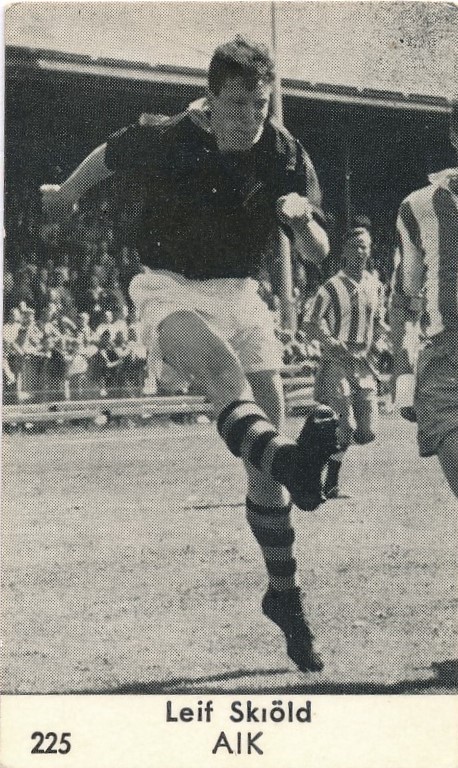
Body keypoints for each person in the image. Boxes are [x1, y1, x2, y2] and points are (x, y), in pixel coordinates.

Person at [40, 36, 340, 673]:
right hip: (168, 287)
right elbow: (109, 156)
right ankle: (295, 463)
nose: (249, 119)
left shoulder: (284, 151)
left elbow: (317, 252)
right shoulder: (170, 134)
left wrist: (301, 222)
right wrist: (66, 193)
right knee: (226, 376)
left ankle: (284, 593)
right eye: (237, 105)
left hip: (242, 294)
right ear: (211, 99)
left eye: (260, 105)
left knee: (264, 459)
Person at [390, 98, 458, 498]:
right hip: (446, 364)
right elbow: (404, 296)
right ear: (454, 135)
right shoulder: (418, 206)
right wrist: (402, 373)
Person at [305, 217, 384, 498]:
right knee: (345, 425)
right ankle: (330, 482)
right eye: (355, 247)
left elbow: (378, 322)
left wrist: (382, 341)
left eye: (365, 247)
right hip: (336, 362)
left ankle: (314, 442)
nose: (361, 252)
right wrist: (329, 340)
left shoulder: (376, 286)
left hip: (363, 364)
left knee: (367, 433)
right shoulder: (331, 287)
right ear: (345, 251)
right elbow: (310, 323)